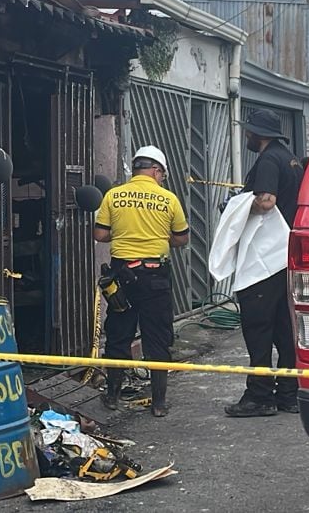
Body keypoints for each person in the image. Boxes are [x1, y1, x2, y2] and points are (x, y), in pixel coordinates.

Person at [93, 146, 189, 417]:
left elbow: (100, 235)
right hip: (155, 277)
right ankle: (158, 403)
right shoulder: (168, 199)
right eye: (162, 175)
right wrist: (157, 237)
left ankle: (112, 397)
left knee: (118, 336)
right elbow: (182, 238)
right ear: (156, 171)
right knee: (157, 338)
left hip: (121, 278)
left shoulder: (113, 195)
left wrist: (125, 236)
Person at [225, 109, 305, 417]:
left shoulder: (269, 160)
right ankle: (289, 393)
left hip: (266, 258)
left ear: (258, 133)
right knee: (285, 327)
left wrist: (239, 205)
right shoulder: (290, 159)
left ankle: (260, 396)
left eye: (249, 131)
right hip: (286, 255)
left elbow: (267, 201)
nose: (246, 135)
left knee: (258, 325)